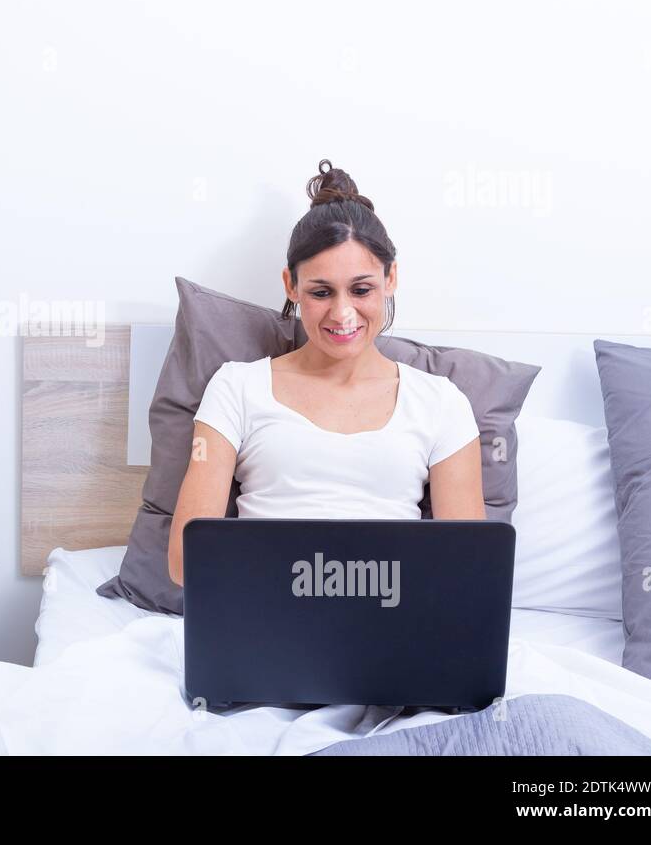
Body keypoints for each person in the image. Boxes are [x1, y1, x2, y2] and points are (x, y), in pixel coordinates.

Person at [167, 160, 485, 586]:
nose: (343, 313)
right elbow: (185, 562)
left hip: (391, 621)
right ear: (291, 286)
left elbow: (469, 570)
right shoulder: (235, 389)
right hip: (266, 618)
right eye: (321, 292)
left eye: (361, 289)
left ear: (390, 278)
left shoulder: (441, 404)